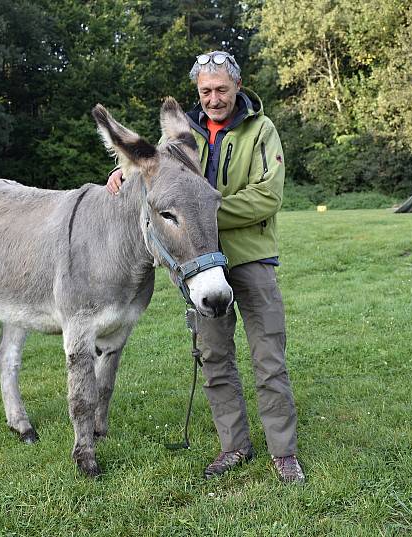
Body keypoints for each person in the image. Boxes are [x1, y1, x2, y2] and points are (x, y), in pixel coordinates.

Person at [106, 51, 304, 483]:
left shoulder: (261, 130)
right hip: (199, 265)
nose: (213, 98)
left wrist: (203, 210)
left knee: (268, 355)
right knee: (214, 356)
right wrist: (119, 173)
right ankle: (233, 445)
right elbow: (151, 173)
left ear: (237, 86)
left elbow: (268, 196)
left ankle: (283, 452)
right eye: (205, 91)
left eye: (221, 89)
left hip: (250, 256)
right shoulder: (183, 136)